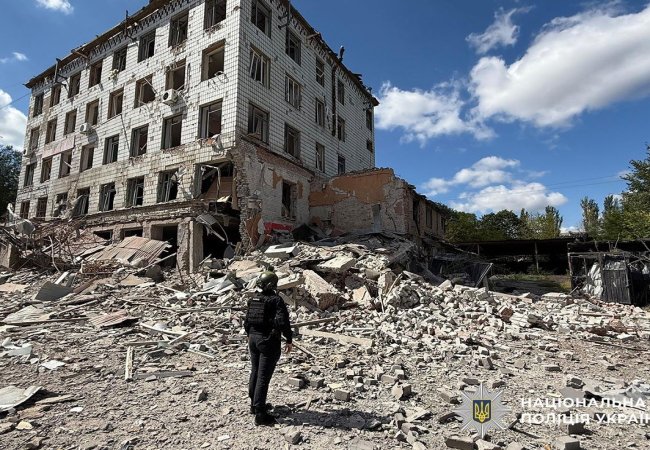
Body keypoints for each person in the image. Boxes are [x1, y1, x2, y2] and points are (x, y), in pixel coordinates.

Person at [244, 271, 293, 426]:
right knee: (263, 377)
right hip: (268, 341)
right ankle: (260, 414)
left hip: (253, 339)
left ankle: (254, 405)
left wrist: (250, 335)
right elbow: (283, 321)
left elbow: (247, 321)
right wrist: (289, 339)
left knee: (255, 371)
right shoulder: (275, 300)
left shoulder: (254, 299)